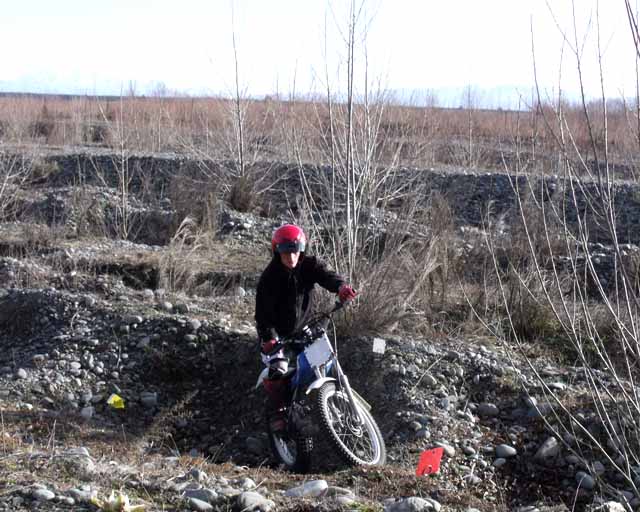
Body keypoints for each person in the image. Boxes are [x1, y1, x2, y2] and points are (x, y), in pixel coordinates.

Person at [255, 223, 357, 431]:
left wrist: (341, 288)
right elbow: (262, 317)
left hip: (304, 329)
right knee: (279, 369)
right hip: (277, 337)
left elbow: (327, 275)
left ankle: (329, 398)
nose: (291, 257)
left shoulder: (309, 265)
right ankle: (279, 414)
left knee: (324, 357)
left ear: (301, 250)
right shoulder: (269, 279)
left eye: (294, 251)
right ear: (276, 252)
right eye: (285, 253)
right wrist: (270, 339)